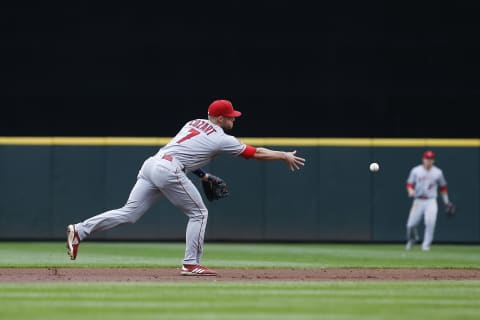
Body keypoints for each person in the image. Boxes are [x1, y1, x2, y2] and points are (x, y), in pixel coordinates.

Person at [66, 99, 306, 276]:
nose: (234, 119)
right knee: (199, 213)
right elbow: (256, 153)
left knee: (129, 213)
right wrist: (283, 155)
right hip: (169, 169)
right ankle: (191, 264)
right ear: (220, 119)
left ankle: (80, 230)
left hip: (153, 164)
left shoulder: (195, 122)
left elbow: (187, 152)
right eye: (231, 116)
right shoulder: (221, 138)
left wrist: (202, 174)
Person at [405, 150, 452, 251]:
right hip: (418, 200)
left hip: (431, 200)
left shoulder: (438, 172)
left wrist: (446, 201)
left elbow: (443, 187)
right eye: (427, 158)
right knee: (410, 224)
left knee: (430, 222)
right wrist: (410, 190)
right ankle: (411, 240)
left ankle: (426, 245)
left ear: (433, 160)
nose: (428, 161)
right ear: (423, 159)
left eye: (430, 159)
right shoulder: (416, 170)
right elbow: (409, 183)